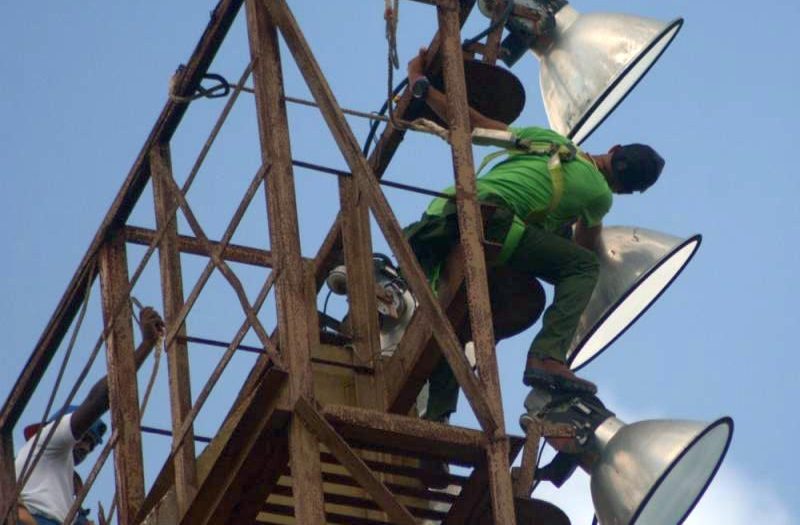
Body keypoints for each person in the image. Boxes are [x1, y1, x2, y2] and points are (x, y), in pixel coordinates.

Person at [404, 48, 665, 426]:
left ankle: (436, 416)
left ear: (613, 149)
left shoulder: (550, 141)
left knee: (453, 322)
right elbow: (581, 254)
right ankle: (546, 358)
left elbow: (473, 124)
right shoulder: (599, 196)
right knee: (582, 267)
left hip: (443, 217)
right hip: (493, 223)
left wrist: (422, 87)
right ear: (626, 191)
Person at [14, 307, 164, 525]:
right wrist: (146, 345)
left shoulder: (60, 480)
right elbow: (99, 399)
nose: (85, 448)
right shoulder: (48, 439)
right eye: (84, 438)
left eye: (91, 445)